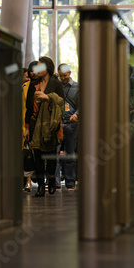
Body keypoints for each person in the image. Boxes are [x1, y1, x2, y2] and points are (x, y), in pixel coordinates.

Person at [24, 56, 65, 197]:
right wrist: (27, 127)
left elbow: (61, 103)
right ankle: (41, 186)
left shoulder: (56, 83)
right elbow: (29, 107)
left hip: (51, 125)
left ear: (47, 68)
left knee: (51, 156)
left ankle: (51, 180)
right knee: (38, 157)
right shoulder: (34, 84)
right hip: (35, 124)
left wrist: (48, 97)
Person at [56, 63, 79, 191]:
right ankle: (56, 182)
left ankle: (70, 182)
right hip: (58, 124)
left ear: (70, 73)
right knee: (56, 153)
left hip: (72, 124)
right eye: (60, 76)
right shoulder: (57, 86)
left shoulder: (78, 87)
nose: (62, 78)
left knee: (70, 154)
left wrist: (76, 115)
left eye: (64, 76)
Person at [22, 61, 38, 192]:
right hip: (25, 122)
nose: (33, 73)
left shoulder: (41, 85)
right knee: (26, 152)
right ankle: (27, 181)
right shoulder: (24, 87)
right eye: (31, 71)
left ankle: (35, 180)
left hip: (38, 123)